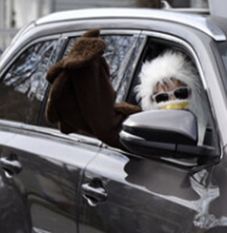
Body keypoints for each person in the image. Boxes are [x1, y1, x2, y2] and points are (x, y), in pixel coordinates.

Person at [46, 29, 209, 148]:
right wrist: (88, 71)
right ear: (151, 101)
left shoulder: (219, 125)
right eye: (162, 98)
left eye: (180, 93)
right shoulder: (148, 130)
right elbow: (106, 125)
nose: (172, 101)